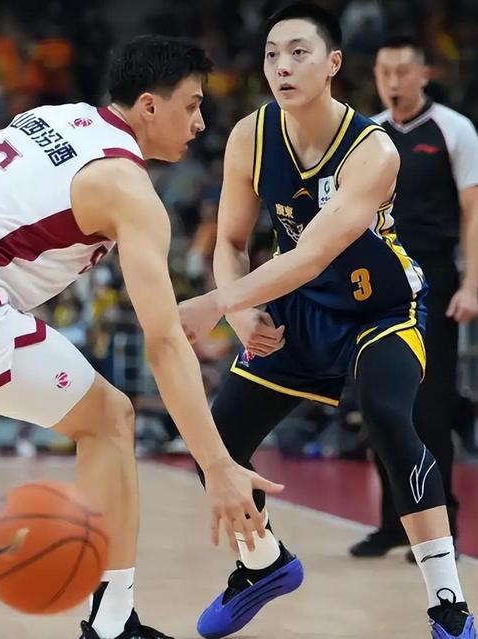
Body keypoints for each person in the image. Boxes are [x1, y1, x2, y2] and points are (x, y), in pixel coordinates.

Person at [0, 36, 282, 639]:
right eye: (192, 105)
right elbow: (164, 341)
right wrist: (217, 465)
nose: (200, 123)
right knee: (109, 419)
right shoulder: (129, 189)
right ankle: (112, 626)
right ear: (149, 105)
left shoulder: (53, 117)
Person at [178, 5, 476, 639]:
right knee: (214, 446)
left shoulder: (374, 150)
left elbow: (313, 253)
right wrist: (239, 311)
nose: (281, 67)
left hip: (381, 309)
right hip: (299, 309)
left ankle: (448, 604)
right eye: (271, 55)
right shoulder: (250, 136)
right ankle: (263, 564)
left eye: (298, 53)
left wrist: (213, 305)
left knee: (388, 414)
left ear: (333, 63)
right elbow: (229, 241)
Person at [349, 34, 478, 561]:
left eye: (403, 70)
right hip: (381, 282)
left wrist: (472, 284)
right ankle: (391, 524)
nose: (393, 80)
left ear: (424, 74)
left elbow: (473, 212)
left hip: (437, 282)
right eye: (384, 71)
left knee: (429, 408)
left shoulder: (454, 129)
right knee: (379, 404)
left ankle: (440, 530)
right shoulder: (369, 133)